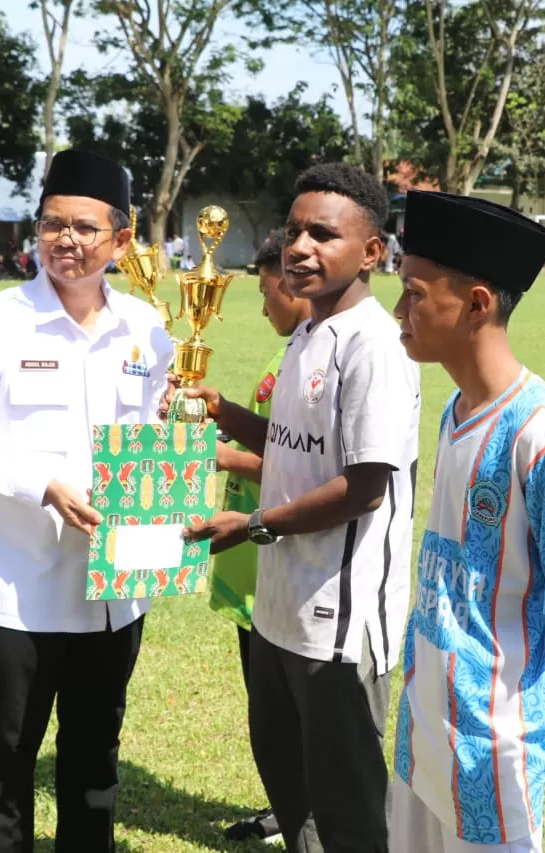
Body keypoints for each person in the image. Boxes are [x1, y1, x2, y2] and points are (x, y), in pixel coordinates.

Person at [0, 149, 173, 853]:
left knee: (95, 756)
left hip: (115, 585)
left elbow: (161, 436)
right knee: (8, 757)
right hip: (20, 585)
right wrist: (40, 486)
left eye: (85, 227)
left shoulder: (150, 329)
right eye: (52, 224)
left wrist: (179, 439)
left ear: (121, 240)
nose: (66, 240)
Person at [181, 163, 421, 853]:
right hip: (279, 609)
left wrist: (252, 524)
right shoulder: (307, 333)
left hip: (338, 624)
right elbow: (293, 445)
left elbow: (364, 485)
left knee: (348, 813)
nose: (300, 247)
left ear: (371, 251)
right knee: (292, 793)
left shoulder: (375, 346)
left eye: (323, 234)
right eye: (293, 231)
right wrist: (224, 411)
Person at [388, 191, 545, 853]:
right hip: (425, 722)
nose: (398, 310)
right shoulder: (455, 409)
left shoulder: (543, 439)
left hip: (494, 746)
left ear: (478, 303)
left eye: (413, 292)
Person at [210, 229, 312, 844]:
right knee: (270, 711)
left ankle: (305, 816)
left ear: (288, 282)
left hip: (271, 549)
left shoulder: (307, 364)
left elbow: (299, 466)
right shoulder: (290, 355)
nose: (264, 305)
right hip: (252, 554)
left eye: (264, 290)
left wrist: (221, 455)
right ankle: (287, 806)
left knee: (290, 714)